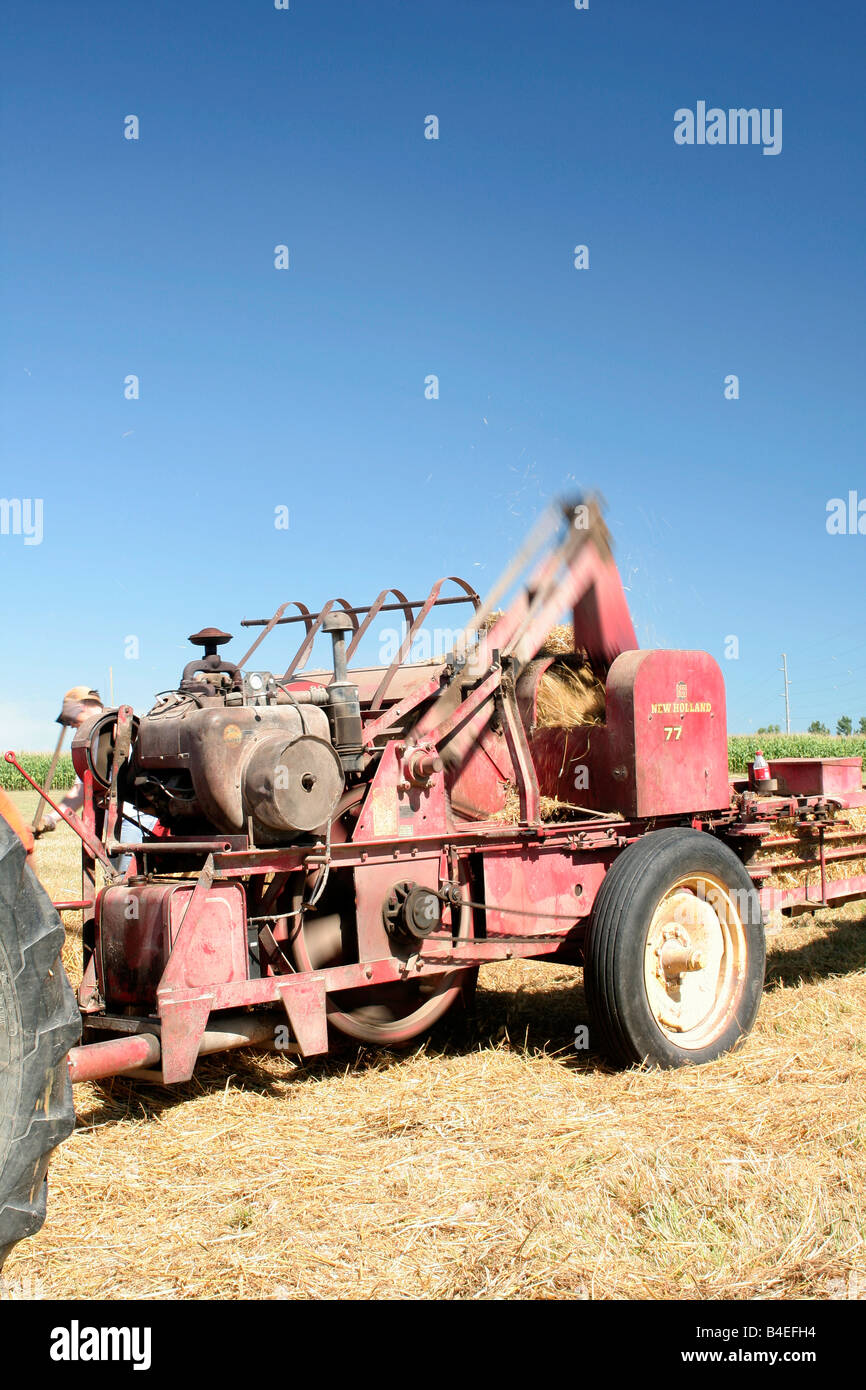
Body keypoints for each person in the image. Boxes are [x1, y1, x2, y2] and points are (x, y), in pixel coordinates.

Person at [34, 686, 103, 834]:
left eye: (71, 720)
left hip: (134, 820)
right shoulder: (92, 740)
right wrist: (49, 819)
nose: (71, 725)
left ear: (81, 707)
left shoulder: (117, 726)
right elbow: (81, 790)